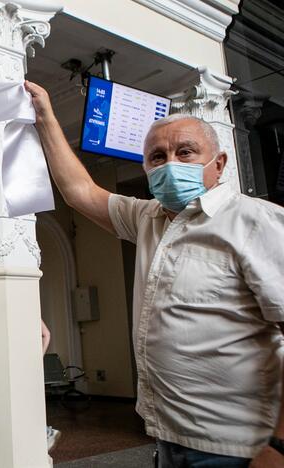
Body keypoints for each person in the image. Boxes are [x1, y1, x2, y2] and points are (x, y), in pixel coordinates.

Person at [25, 81, 284, 467]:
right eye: (157, 157)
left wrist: (279, 445)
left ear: (220, 163)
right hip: (168, 438)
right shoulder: (147, 218)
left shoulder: (256, 221)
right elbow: (79, 191)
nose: (170, 164)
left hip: (239, 446)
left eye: (186, 152)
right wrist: (45, 116)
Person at [41, 320, 61, 452]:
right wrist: (38, 357)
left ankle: (46, 432)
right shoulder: (30, 309)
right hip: (29, 365)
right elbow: (46, 334)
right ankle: (46, 432)